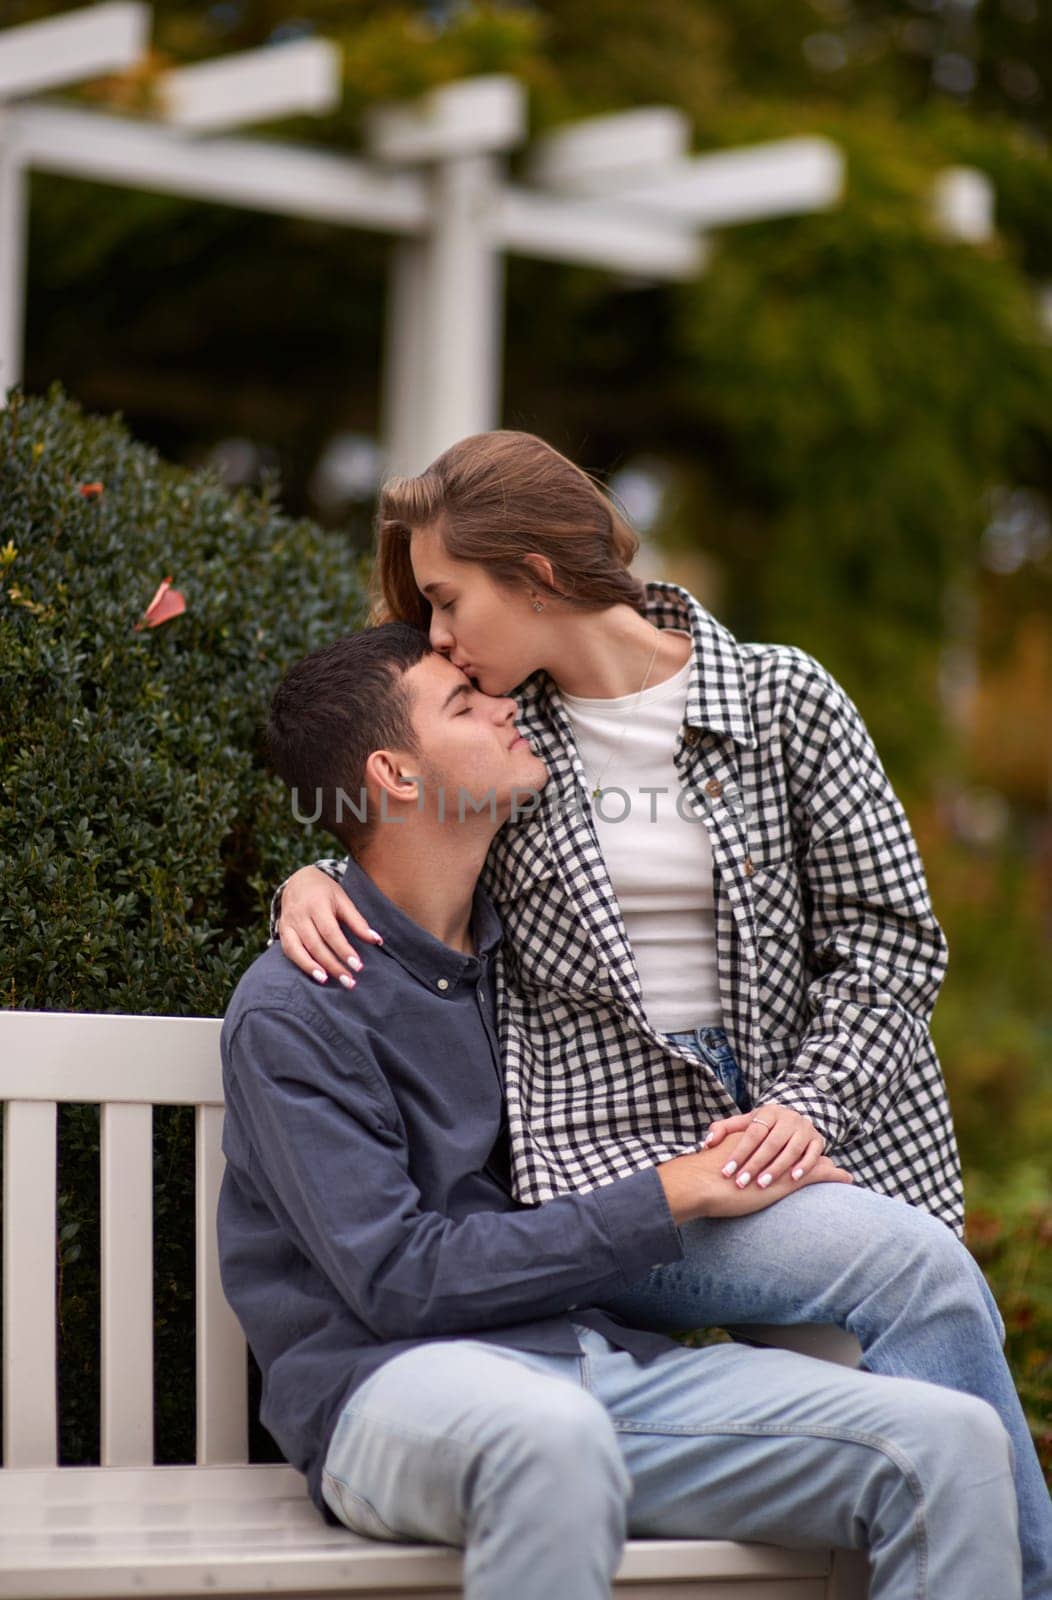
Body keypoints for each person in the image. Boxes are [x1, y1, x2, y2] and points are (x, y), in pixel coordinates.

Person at [266, 433, 1052, 1590]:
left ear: (533, 572)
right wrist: (304, 883)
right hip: (612, 1177)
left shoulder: (786, 699)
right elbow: (389, 823)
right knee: (913, 1270)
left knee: (914, 1299)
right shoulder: (509, 740)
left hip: (801, 1150)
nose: (434, 633)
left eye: (447, 597)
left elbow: (892, 938)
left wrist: (803, 1108)